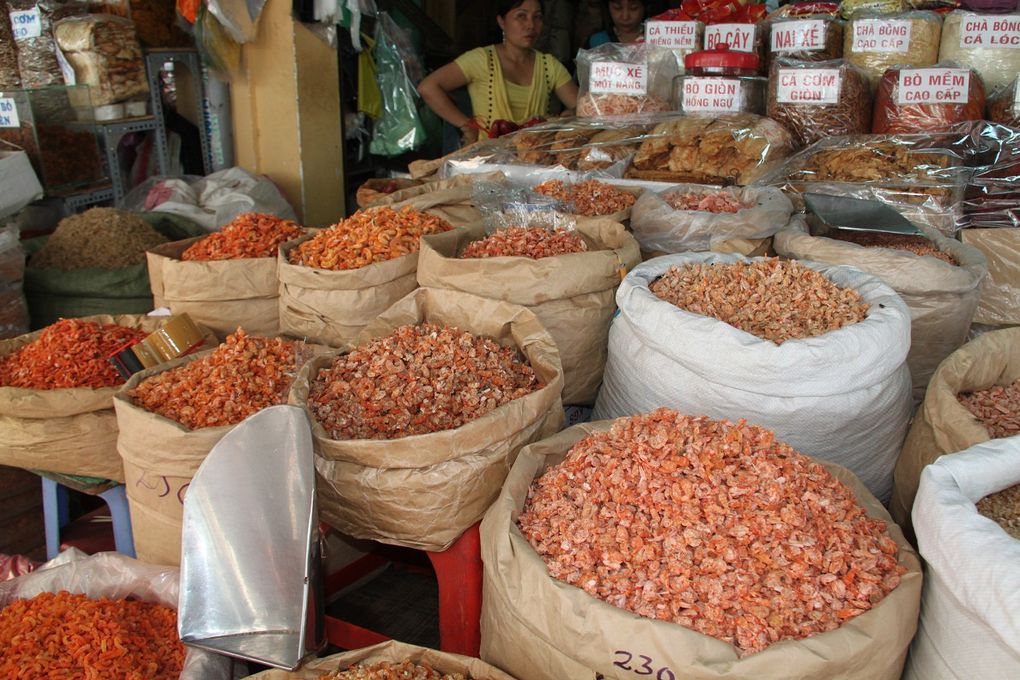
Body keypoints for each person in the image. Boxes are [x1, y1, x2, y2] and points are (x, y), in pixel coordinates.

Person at [417, 0, 578, 146]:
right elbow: (428, 87)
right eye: (521, 16)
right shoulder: (482, 60)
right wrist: (467, 125)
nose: (531, 25)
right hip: (487, 162)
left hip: (534, 161)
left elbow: (582, 108)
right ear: (502, 21)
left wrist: (567, 117)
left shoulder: (549, 65)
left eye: (537, 17)